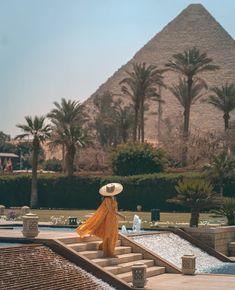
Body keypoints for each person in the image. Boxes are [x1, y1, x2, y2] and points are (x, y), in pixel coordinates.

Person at [76, 183, 125, 258]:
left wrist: (117, 216)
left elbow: (115, 209)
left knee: (113, 234)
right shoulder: (107, 199)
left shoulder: (114, 198)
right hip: (109, 218)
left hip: (113, 218)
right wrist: (120, 215)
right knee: (109, 234)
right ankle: (109, 252)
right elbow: (110, 210)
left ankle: (102, 246)